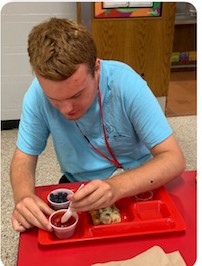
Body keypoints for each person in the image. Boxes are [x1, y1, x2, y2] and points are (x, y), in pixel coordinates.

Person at [10, 17, 185, 233]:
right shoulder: (36, 95)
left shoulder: (127, 84)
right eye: (54, 99)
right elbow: (23, 157)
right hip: (80, 186)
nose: (66, 109)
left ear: (97, 68)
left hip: (140, 180)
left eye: (77, 95)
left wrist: (115, 187)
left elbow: (174, 159)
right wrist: (23, 197)